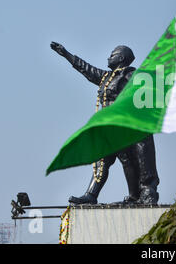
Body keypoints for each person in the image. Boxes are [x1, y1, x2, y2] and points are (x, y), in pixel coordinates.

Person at [50, 42, 159, 205]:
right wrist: (66, 54)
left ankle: (135, 196)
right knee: (102, 160)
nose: (109, 58)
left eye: (112, 54)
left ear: (121, 58)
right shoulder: (107, 77)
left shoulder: (131, 76)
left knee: (126, 159)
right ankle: (91, 195)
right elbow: (87, 69)